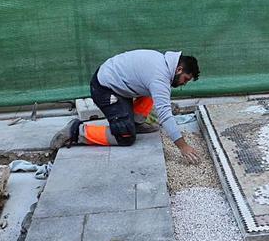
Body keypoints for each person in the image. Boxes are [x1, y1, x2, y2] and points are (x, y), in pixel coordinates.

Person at [49, 49, 202, 163]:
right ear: (179, 69)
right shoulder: (159, 75)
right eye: (185, 79)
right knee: (125, 136)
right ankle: (76, 131)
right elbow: (165, 114)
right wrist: (183, 146)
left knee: (155, 94)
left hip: (119, 85)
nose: (183, 83)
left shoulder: (162, 63)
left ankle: (136, 122)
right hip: (105, 88)